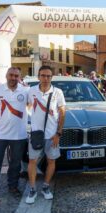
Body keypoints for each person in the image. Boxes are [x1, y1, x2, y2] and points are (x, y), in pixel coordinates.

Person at [0, 67, 29, 200]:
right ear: (6, 75)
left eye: (16, 76)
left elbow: (34, 104)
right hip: (0, 135)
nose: (13, 78)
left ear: (20, 77)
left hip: (19, 135)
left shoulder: (25, 90)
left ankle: (13, 187)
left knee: (15, 163)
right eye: (11, 75)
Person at [26, 65, 66, 204]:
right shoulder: (31, 91)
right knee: (32, 162)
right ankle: (32, 189)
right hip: (36, 134)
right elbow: (27, 106)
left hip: (52, 135)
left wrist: (58, 133)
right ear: (38, 76)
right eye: (43, 75)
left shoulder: (57, 92)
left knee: (51, 161)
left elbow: (62, 113)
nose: (45, 78)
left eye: (48, 76)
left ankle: (45, 186)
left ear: (52, 77)